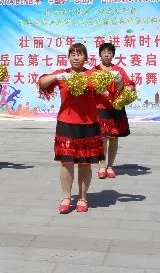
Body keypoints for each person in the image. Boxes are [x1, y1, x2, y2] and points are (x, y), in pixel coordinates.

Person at [38, 43, 104, 214]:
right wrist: (57, 76)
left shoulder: (94, 75)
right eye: (73, 54)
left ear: (86, 58)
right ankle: (66, 197)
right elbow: (42, 82)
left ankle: (82, 198)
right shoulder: (63, 74)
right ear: (68, 57)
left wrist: (117, 80)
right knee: (66, 162)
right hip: (66, 123)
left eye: (80, 54)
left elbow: (112, 89)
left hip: (89, 123)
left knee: (85, 163)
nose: (76, 57)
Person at [92, 42, 135, 179]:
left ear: (113, 55)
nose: (106, 54)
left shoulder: (119, 70)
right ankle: (102, 166)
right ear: (100, 54)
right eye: (104, 52)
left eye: (109, 52)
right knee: (103, 138)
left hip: (115, 108)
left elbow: (130, 85)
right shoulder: (95, 70)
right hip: (101, 109)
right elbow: (88, 87)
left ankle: (110, 166)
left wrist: (126, 87)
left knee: (114, 138)